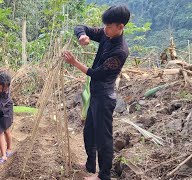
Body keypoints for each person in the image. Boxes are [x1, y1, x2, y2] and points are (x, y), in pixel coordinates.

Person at [62, 5, 130, 180]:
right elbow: (80, 26)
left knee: (104, 138)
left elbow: (96, 73)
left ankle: (103, 175)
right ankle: (90, 165)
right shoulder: (107, 34)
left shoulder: (120, 51)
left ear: (120, 27)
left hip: (104, 97)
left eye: (109, 26)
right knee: (89, 132)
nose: (105, 29)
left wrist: (75, 63)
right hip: (95, 94)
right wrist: (82, 36)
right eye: (105, 25)